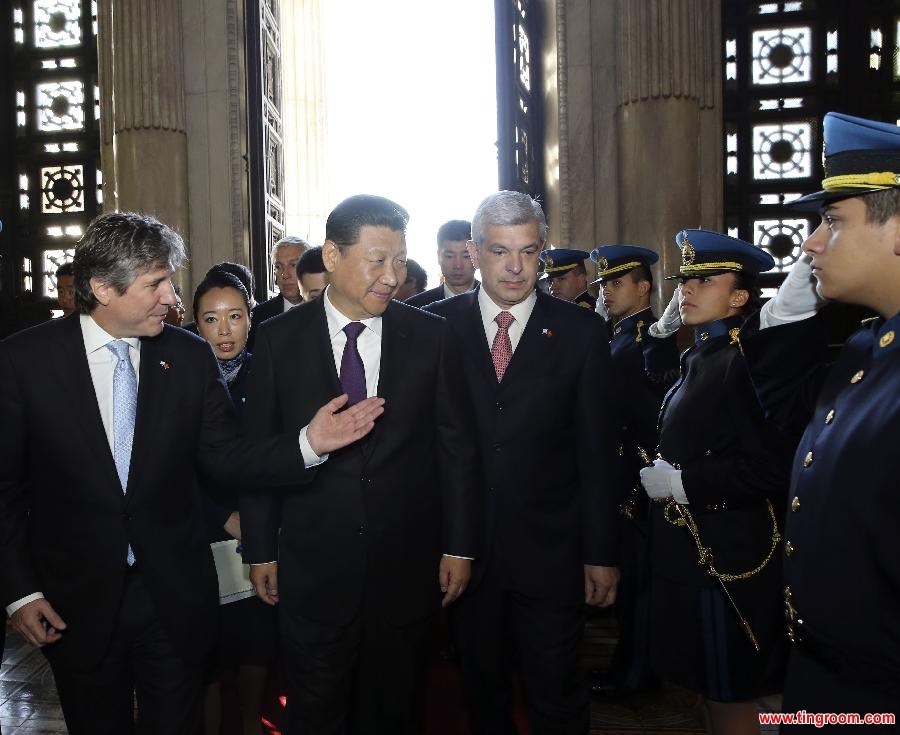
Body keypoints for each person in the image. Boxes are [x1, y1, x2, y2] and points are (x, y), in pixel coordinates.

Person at [0, 211, 384, 735]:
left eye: (169, 281)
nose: (170, 296)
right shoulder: (24, 361)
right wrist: (21, 591)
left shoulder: (187, 356)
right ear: (101, 288)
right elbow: (5, 489)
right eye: (155, 283)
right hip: (75, 603)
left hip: (173, 598)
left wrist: (307, 444)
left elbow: (226, 456)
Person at [239, 194, 481, 735]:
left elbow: (455, 449)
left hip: (405, 570)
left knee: (394, 710)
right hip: (311, 569)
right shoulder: (278, 339)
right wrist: (259, 548)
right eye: (378, 260)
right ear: (331, 256)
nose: (392, 276)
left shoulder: (430, 337)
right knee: (315, 712)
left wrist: (459, 545)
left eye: (399, 260)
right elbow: (259, 452)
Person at [427, 190, 622, 734]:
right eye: (499, 251)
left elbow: (595, 451)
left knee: (557, 695)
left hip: (552, 555)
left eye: (530, 252)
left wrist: (600, 552)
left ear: (543, 252)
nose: (516, 267)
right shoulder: (434, 328)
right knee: (481, 695)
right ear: (473, 252)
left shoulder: (583, 332)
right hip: (463, 557)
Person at [751, 111, 900, 726]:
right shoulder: (867, 351)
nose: (809, 241)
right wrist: (793, 306)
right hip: (825, 680)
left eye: (832, 222)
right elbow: (783, 407)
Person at [639, 229, 794, 735]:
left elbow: (773, 467)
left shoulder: (743, 361)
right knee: (706, 693)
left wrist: (687, 484)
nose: (687, 290)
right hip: (694, 551)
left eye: (705, 280)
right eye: (685, 280)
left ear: (740, 296)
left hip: (728, 558)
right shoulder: (702, 354)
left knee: (733, 697)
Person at [588, 244, 679, 698]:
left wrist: (640, 477)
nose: (606, 290)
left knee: (640, 585)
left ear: (645, 288)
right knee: (628, 586)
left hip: (637, 482)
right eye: (604, 282)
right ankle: (625, 667)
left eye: (616, 282)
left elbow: (653, 417)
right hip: (621, 475)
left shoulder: (648, 340)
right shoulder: (620, 334)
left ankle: (638, 677)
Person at [193, 270, 278, 735]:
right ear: (195, 323)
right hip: (198, 527)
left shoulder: (270, 369)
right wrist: (221, 516)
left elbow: (277, 455)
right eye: (211, 319)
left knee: (255, 640)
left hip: (259, 526)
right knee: (204, 646)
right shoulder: (176, 375)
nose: (224, 331)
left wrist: (257, 519)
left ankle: (250, 723)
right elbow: (168, 469)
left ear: (251, 319)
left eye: (235, 317)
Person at [248, 236, 309, 350]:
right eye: (278, 267)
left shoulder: (325, 311)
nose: (285, 275)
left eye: (293, 265)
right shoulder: (257, 317)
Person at [407, 219, 478, 307]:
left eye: (466, 256)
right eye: (449, 256)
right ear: (438, 256)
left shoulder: (495, 300)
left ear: (477, 255)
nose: (458, 265)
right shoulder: (415, 307)